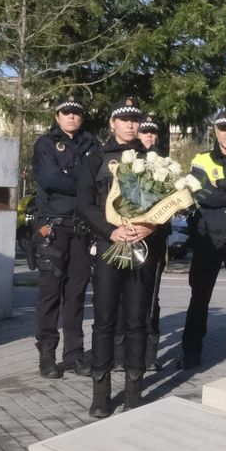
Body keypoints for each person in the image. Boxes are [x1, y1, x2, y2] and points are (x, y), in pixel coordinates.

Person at [79, 97, 159, 415]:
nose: (130, 124)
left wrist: (149, 228)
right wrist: (110, 231)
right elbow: (84, 204)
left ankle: (134, 392)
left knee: (137, 320)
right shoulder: (95, 157)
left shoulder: (153, 160)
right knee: (104, 321)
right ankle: (101, 392)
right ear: (112, 123)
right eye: (124, 119)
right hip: (108, 246)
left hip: (141, 248)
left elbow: (164, 207)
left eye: (135, 119)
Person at [30, 95, 98, 378]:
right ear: (57, 116)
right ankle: (47, 354)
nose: (71, 117)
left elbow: (98, 180)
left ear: (82, 117)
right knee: (49, 293)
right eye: (66, 112)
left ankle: (74, 355)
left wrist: (70, 174)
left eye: (76, 112)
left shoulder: (93, 145)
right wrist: (80, 178)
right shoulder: (45, 144)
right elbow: (50, 179)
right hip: (52, 227)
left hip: (82, 227)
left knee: (77, 294)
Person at [180, 109, 226, 369]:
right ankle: (191, 352)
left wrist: (218, 188)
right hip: (208, 239)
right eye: (223, 128)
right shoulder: (201, 159)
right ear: (216, 130)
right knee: (199, 298)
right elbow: (202, 194)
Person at [135, 115, 170, 372]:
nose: (148, 136)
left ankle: (149, 354)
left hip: (155, 238)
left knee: (151, 297)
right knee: (125, 296)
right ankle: (121, 350)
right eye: (144, 132)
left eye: (152, 133)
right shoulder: (128, 160)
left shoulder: (165, 164)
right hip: (128, 235)